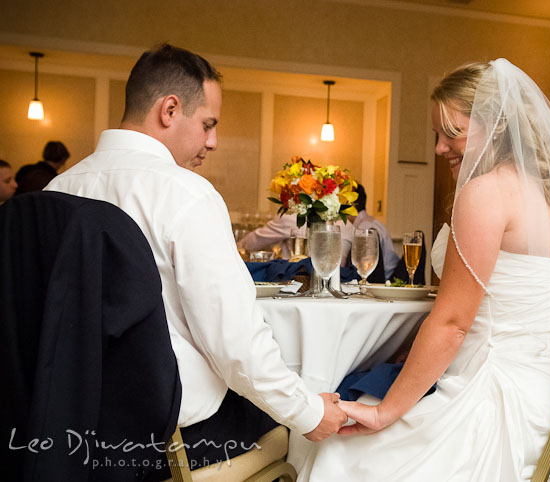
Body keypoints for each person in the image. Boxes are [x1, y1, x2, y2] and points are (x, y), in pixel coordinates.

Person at [45, 44, 346, 477]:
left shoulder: (57, 190)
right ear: (169, 109)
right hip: (169, 443)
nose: (213, 141)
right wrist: (310, 413)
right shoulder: (185, 193)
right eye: (207, 124)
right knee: (304, 439)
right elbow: (236, 344)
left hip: (64, 431)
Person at [299, 59, 550, 481]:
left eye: (453, 134)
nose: (440, 148)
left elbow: (453, 324)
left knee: (338, 453)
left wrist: (385, 413)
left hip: (503, 408)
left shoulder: (487, 192)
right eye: (436, 135)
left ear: (496, 127)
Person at [242, 213, 354, 262]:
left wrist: (239, 246)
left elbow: (251, 243)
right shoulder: (348, 225)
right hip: (339, 290)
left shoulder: (292, 217)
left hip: (293, 287)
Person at [347, 183, 399, 280]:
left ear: (351, 204)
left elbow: (367, 270)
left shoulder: (365, 229)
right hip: (391, 275)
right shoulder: (372, 222)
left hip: (386, 280)